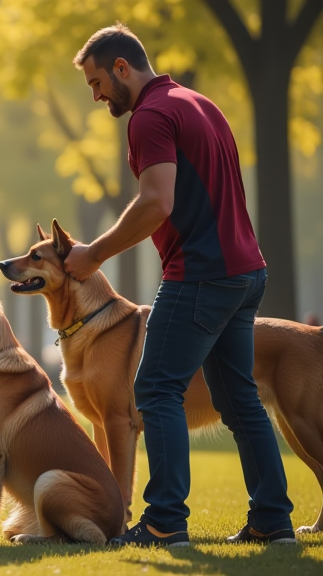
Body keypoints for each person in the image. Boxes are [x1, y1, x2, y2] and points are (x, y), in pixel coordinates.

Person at [69, 24, 295, 546]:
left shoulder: (149, 116)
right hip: (246, 271)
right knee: (240, 400)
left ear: (122, 68)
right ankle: (271, 519)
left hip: (200, 274)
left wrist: (94, 254)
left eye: (97, 82)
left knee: (154, 389)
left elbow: (157, 202)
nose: (97, 95)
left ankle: (165, 519)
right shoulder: (199, 103)